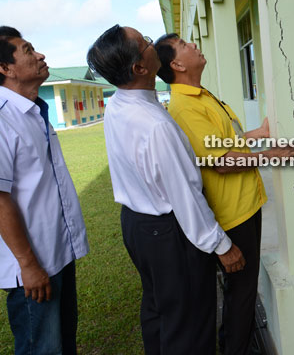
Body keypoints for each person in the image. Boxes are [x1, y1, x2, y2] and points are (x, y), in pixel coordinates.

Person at [87, 25, 245, 354]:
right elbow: (184, 195)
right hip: (167, 232)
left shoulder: (119, 103)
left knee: (160, 312)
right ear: (139, 68)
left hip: (138, 225)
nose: (151, 44)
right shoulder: (155, 124)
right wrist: (221, 245)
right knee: (190, 323)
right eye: (145, 43)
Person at [153, 33, 294, 355]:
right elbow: (222, 162)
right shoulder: (185, 107)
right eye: (185, 45)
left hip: (245, 204)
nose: (194, 46)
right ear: (176, 63)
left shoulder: (200, 95)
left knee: (243, 287)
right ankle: (236, 348)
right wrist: (271, 155)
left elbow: (224, 139)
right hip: (231, 213)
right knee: (242, 291)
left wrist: (258, 134)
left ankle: (236, 344)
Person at [0, 26, 89, 354]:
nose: (40, 55)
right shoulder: (3, 119)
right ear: (6, 69)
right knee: (42, 348)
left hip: (58, 252)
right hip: (32, 266)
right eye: (28, 50)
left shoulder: (35, 111)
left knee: (63, 342)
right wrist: (28, 264)